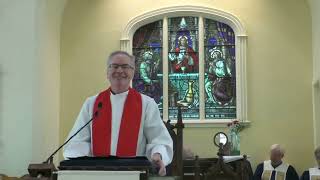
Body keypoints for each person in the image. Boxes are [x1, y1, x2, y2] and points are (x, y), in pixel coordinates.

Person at [63, 51, 173, 176]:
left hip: (134, 174)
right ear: (107, 72)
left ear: (133, 72)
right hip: (97, 174)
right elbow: (78, 140)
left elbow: (158, 139)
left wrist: (157, 154)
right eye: (114, 66)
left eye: (125, 67)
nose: (119, 71)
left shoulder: (147, 104)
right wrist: (80, 156)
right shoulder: (92, 103)